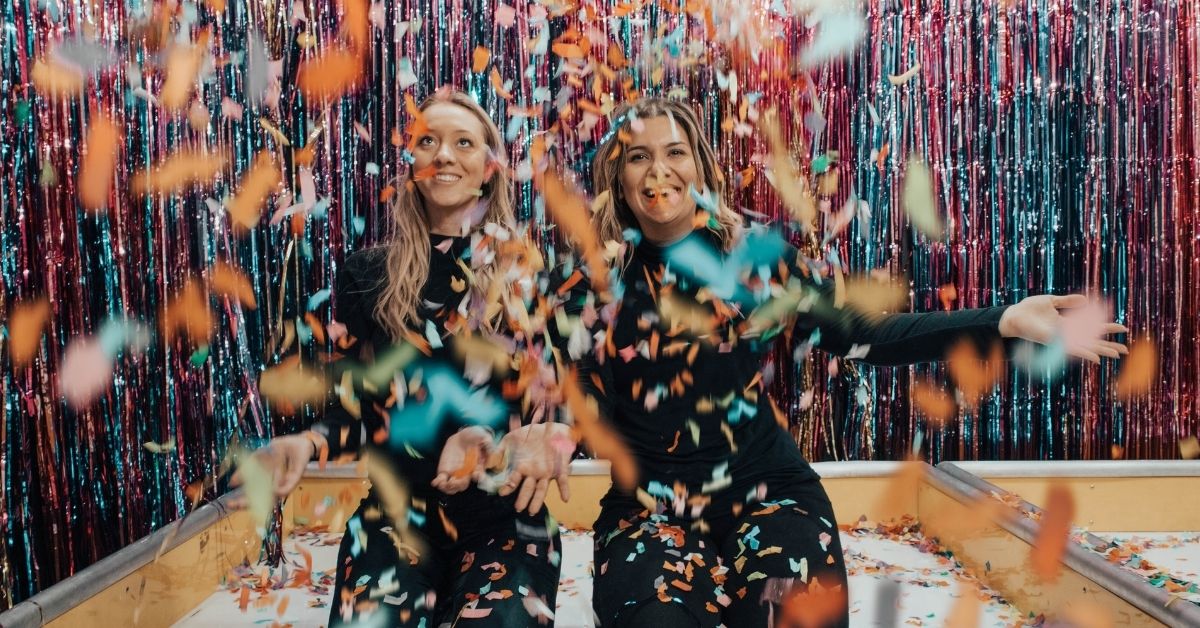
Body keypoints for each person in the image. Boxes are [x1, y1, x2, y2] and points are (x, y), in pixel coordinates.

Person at [563, 97, 1129, 627]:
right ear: (618, 178)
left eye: (674, 152)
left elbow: (868, 334)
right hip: (650, 509)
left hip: (770, 492)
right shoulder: (592, 289)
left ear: (700, 169)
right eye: (639, 156)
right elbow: (581, 398)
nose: (659, 170)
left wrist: (1001, 321)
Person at [234, 88, 572, 627]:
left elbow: (561, 404)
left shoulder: (529, 274)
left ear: (488, 169)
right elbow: (349, 408)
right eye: (428, 141)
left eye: (463, 143)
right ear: (412, 164)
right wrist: (307, 440)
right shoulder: (366, 275)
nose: (443, 154)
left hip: (507, 523)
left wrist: (549, 436)